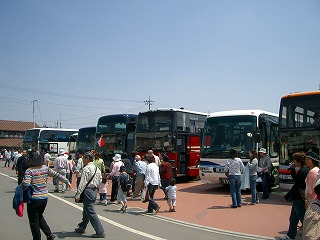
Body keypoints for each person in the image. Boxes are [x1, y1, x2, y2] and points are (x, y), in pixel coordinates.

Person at [22, 151, 71, 240]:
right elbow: (57, 175)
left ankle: (37, 238)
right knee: (39, 216)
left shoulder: (29, 171)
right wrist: (67, 181)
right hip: (44, 197)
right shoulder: (45, 168)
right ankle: (49, 234)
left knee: (33, 221)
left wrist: (21, 188)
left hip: (34, 198)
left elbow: (26, 184)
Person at [278, 152, 309, 240]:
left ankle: (310, 235)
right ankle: (291, 235)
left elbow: (296, 186)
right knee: (293, 219)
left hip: (299, 198)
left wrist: (286, 197)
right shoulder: (303, 169)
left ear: (297, 161)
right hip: (297, 198)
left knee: (303, 219)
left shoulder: (303, 171)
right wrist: (292, 169)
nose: (293, 162)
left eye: (294, 160)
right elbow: (296, 180)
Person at [74, 153, 105, 238]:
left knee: (90, 211)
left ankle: (99, 231)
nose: (83, 160)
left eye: (84, 158)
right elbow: (100, 180)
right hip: (94, 190)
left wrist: (78, 195)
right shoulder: (97, 168)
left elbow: (82, 183)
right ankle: (82, 227)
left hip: (87, 190)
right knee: (86, 209)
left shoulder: (86, 168)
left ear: (87, 158)